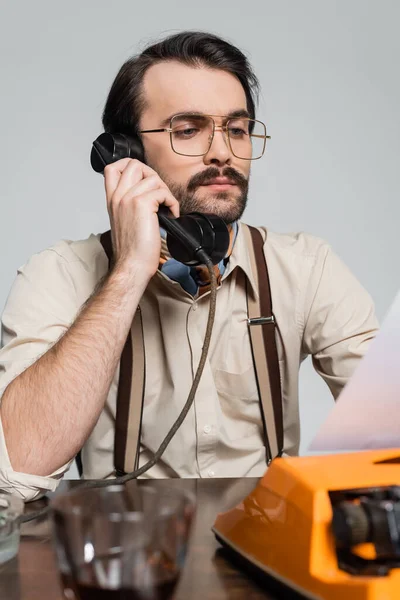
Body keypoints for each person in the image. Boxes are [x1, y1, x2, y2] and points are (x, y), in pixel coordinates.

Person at [0, 31, 378, 502]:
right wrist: (128, 273)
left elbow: (390, 425)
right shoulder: (55, 275)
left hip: (262, 549)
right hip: (125, 559)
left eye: (237, 129)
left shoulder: (307, 268)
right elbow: (15, 472)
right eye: (188, 129)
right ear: (127, 153)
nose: (222, 151)